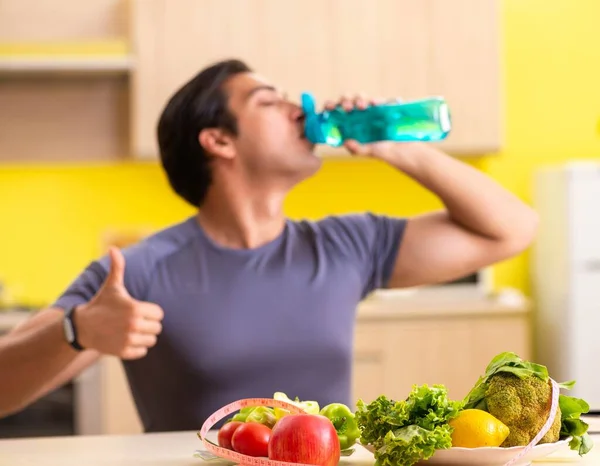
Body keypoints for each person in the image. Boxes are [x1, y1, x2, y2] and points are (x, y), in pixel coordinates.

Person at [0, 59, 538, 432]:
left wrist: (396, 148)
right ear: (219, 140)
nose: (297, 108)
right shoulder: (140, 272)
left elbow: (511, 229)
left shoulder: (345, 244)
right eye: (270, 101)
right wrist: (77, 330)